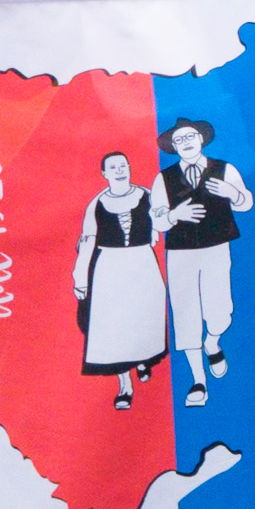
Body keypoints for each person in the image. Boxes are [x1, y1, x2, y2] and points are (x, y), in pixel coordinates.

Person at [156, 118, 248, 407]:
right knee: (185, 313)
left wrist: (232, 193)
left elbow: (247, 203)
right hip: (181, 251)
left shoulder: (224, 169)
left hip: (216, 247)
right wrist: (174, 215)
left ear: (201, 139)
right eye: (179, 140)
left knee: (220, 310)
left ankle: (213, 341)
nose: (186, 143)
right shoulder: (164, 178)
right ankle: (198, 380)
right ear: (173, 146)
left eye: (190, 137)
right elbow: (157, 220)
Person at [73, 149, 171, 412]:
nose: (119, 170)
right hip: (110, 268)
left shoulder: (147, 196)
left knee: (144, 318)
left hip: (142, 264)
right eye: (113, 167)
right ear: (104, 173)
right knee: (115, 327)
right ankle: (124, 385)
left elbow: (159, 229)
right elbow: (88, 240)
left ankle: (144, 359)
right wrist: (80, 277)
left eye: (123, 165)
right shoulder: (97, 204)